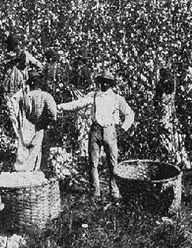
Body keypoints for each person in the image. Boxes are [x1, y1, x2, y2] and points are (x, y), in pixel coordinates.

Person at [57, 71, 135, 199]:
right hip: (95, 130)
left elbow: (130, 114)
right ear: (99, 83)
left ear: (111, 84)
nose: (104, 84)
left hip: (110, 130)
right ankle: (95, 191)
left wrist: (123, 128)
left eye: (107, 82)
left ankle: (114, 192)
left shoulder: (117, 98)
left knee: (113, 163)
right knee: (93, 162)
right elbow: (77, 104)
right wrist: (60, 107)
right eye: (102, 81)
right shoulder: (93, 96)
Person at [17, 72, 58, 172]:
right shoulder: (46, 96)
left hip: (28, 125)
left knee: (28, 150)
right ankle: (34, 172)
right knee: (37, 150)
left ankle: (26, 171)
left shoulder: (26, 97)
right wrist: (48, 121)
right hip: (41, 126)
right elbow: (53, 113)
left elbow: (23, 114)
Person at [153, 68, 184, 167]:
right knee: (172, 136)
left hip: (166, 116)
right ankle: (174, 158)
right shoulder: (171, 91)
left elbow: (156, 103)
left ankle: (170, 158)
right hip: (170, 117)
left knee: (166, 136)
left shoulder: (162, 90)